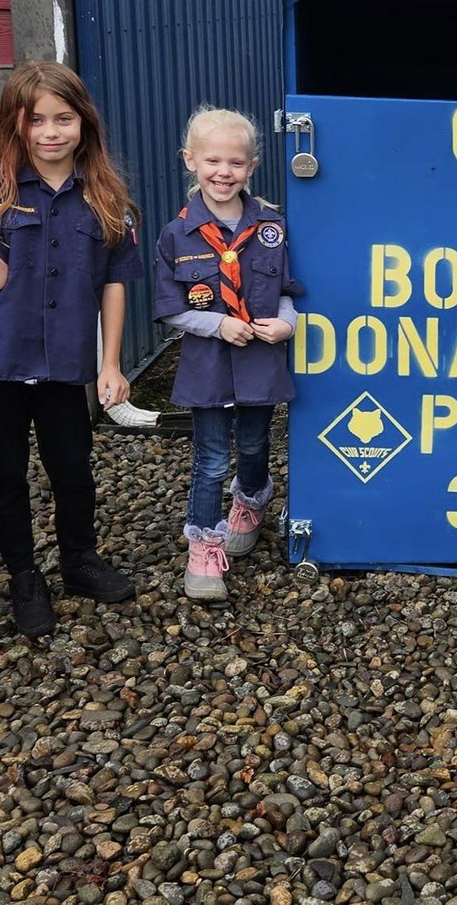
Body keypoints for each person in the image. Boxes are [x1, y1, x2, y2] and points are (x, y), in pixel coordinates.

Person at [0, 61, 143, 638]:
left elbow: (113, 284)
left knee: (73, 469)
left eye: (63, 119)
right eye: (37, 120)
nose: (51, 131)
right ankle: (25, 576)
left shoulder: (107, 199)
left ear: (83, 123)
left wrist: (111, 363)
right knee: (6, 476)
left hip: (65, 365)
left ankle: (79, 560)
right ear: (16, 126)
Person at [153, 107, 300, 600]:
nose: (224, 172)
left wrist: (288, 322)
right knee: (212, 458)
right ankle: (203, 550)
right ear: (189, 161)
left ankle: (252, 502)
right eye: (212, 160)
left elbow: (284, 289)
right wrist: (217, 324)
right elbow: (171, 308)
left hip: (260, 361)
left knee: (257, 445)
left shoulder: (271, 228)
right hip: (209, 367)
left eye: (235, 163)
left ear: (251, 167)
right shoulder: (177, 236)